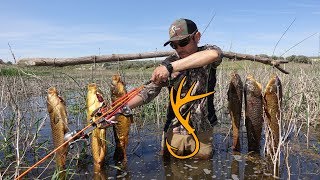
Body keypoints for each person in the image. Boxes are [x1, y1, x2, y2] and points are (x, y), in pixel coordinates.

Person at [106, 18, 222, 159]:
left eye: (183, 42)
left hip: (203, 130)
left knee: (203, 170)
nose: (179, 49)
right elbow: (148, 91)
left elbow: (214, 55)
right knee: (170, 170)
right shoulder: (169, 61)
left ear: (197, 37)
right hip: (174, 129)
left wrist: (171, 67)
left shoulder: (207, 52)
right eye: (174, 45)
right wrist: (120, 109)